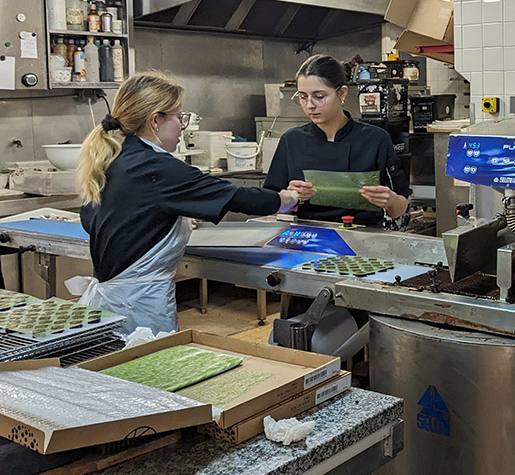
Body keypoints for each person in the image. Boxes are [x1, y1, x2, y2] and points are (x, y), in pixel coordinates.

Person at [75, 72, 299, 332]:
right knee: (148, 366)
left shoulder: (115, 155)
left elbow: (90, 219)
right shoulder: (155, 166)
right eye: (180, 117)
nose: (183, 126)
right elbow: (232, 195)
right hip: (139, 306)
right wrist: (283, 199)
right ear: (155, 120)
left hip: (114, 299)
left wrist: (164, 216)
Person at [265, 54, 410, 225]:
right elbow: (270, 206)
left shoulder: (375, 139)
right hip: (308, 238)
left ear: (342, 93)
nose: (310, 105)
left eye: (319, 96)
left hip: (364, 239)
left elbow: (399, 208)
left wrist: (390, 200)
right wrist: (288, 199)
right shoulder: (292, 140)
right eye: (303, 96)